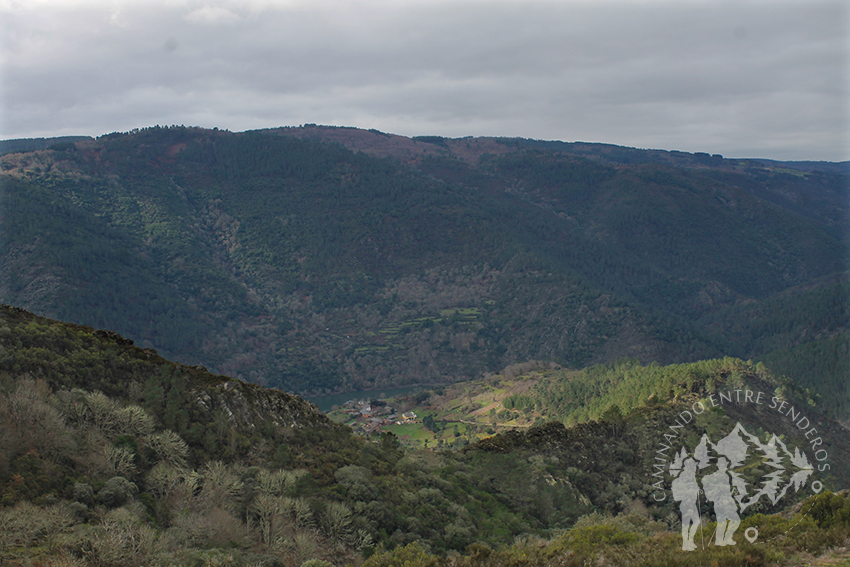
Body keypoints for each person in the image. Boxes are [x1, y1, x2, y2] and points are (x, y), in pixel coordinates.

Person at [701, 457, 740, 546]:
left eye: (725, 464)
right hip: (720, 503)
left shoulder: (726, 476)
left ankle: (724, 539)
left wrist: (732, 492)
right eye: (722, 464)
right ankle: (723, 539)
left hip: (726, 502)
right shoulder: (715, 477)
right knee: (730, 521)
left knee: (728, 521)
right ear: (719, 465)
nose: (724, 466)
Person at [671, 456, 700, 551]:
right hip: (687, 503)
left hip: (691, 502)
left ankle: (689, 542)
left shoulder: (690, 475)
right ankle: (686, 544)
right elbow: (685, 489)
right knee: (687, 523)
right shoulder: (685, 476)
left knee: (693, 522)